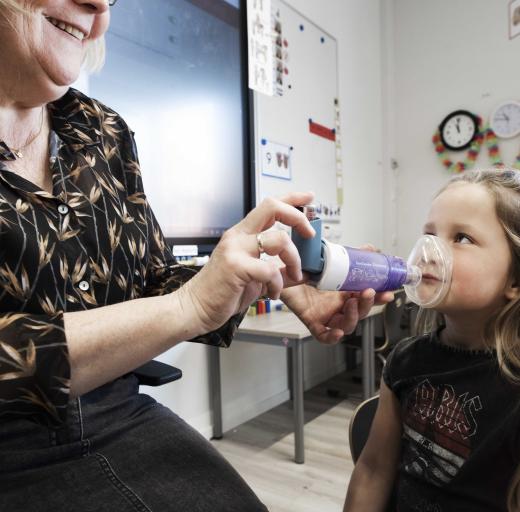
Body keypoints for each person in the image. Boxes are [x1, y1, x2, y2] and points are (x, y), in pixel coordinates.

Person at [0, 1, 393, 511]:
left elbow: (155, 280)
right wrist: (189, 308)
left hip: (114, 411)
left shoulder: (100, 131)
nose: (97, 3)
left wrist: (269, 278)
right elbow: (180, 304)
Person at [344, 168, 520, 512]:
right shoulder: (406, 360)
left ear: (514, 279)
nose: (429, 252)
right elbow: (373, 470)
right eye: (429, 234)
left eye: (462, 238)